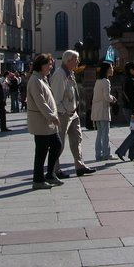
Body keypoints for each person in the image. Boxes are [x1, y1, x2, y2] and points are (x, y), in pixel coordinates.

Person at [51, 49, 95, 178]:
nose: (78, 62)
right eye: (76, 59)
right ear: (68, 60)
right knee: (60, 143)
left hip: (73, 113)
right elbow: (56, 98)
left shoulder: (70, 73)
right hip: (63, 114)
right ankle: (55, 169)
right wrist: (64, 112)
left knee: (77, 139)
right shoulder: (60, 75)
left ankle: (79, 166)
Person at [26, 53, 63, 190]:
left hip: (47, 122)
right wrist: (52, 116)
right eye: (48, 64)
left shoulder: (42, 78)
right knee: (41, 151)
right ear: (41, 65)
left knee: (56, 145)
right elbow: (40, 102)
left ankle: (49, 175)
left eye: (51, 64)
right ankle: (38, 180)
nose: (50, 66)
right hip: (41, 122)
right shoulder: (35, 80)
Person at [116, 61, 134, 161]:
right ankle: (121, 151)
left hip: (129, 108)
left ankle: (132, 155)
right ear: (131, 70)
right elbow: (132, 98)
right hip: (130, 109)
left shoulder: (129, 80)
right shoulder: (130, 81)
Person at [91, 61, 116, 160]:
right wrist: (112, 98)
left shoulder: (98, 81)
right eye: (111, 68)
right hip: (103, 109)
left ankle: (98, 154)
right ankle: (106, 153)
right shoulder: (106, 81)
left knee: (100, 133)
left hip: (96, 110)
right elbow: (106, 97)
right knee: (105, 133)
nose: (112, 69)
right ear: (107, 70)